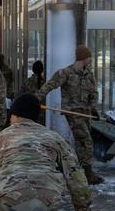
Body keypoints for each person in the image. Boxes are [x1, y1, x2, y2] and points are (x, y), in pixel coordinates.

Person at [37, 45, 105, 184]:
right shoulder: (66, 73)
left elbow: (94, 93)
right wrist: (36, 98)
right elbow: (51, 84)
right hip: (72, 112)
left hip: (85, 113)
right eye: (89, 57)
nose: (91, 59)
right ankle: (88, 173)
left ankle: (77, 170)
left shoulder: (88, 74)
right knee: (85, 139)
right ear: (83, 57)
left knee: (82, 141)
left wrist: (93, 109)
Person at [19, 60, 47, 124]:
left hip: (29, 113)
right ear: (42, 70)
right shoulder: (46, 83)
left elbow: (20, 96)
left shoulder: (27, 82)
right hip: (43, 114)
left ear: (32, 69)